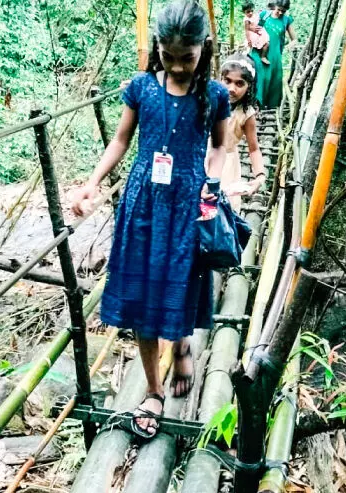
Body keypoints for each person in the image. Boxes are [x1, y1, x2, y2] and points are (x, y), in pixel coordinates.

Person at [69, 0, 230, 439]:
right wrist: (92, 182)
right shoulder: (141, 87)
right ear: (158, 47)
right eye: (170, 56)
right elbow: (121, 140)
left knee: (180, 280)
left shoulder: (214, 95)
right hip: (143, 201)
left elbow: (219, 147)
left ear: (204, 48)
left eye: (188, 57)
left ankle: (180, 346)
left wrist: (209, 185)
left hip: (187, 202)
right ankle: (154, 392)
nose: (178, 67)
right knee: (142, 291)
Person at [211, 54, 266, 212]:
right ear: (220, 79)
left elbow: (254, 148)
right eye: (227, 81)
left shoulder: (246, 114)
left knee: (221, 209)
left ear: (249, 86)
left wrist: (259, 177)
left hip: (227, 165)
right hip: (202, 159)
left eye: (239, 83)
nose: (231, 89)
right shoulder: (208, 102)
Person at [249, 0, 297, 109]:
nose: (280, 13)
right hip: (260, 52)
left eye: (283, 11)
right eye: (279, 10)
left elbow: (295, 39)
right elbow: (253, 29)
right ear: (275, 6)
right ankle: (257, 105)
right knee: (261, 78)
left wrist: (291, 44)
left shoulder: (286, 21)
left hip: (275, 55)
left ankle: (272, 107)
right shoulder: (264, 15)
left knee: (275, 80)